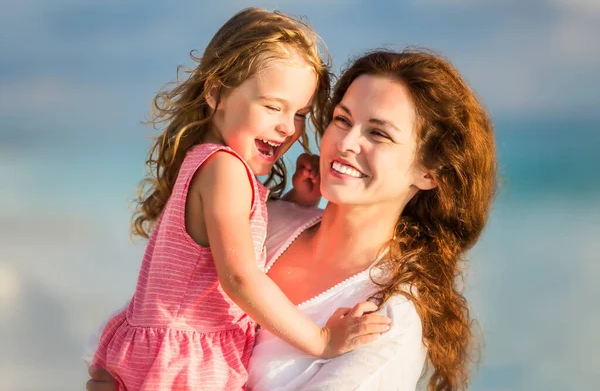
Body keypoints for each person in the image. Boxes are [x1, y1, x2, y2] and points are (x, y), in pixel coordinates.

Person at [87, 49, 497, 390]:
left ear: (429, 171)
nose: (346, 143)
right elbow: (159, 323)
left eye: (379, 134)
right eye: (342, 119)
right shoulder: (268, 222)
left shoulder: (386, 319)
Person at [89, 8, 391, 391]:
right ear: (217, 93)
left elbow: (237, 236)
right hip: (187, 363)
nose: (287, 127)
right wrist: (323, 340)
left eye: (300, 113)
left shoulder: (208, 162)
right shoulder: (226, 169)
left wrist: (298, 201)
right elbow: (239, 277)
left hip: (165, 353)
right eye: (272, 106)